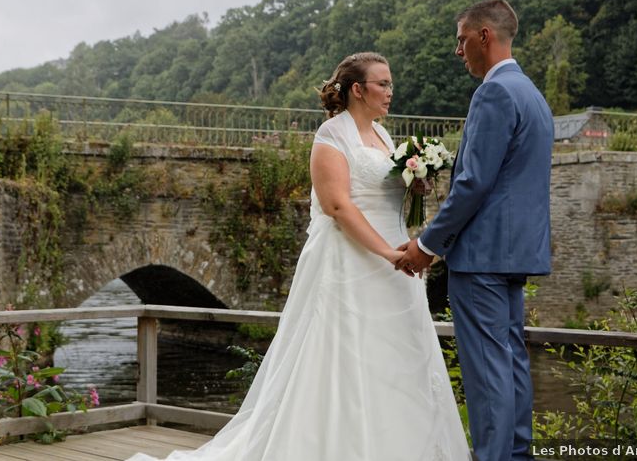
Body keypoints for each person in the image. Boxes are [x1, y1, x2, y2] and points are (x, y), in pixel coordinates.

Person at [128, 52, 469, 461]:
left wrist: (415, 189)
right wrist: (387, 254)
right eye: (383, 84)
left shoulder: (384, 137)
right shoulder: (331, 136)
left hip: (394, 270)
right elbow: (338, 207)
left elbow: (383, 195)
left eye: (391, 84)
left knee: (397, 363)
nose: (390, 92)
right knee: (343, 362)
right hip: (353, 264)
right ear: (358, 89)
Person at [395, 0, 554, 461]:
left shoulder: (494, 92)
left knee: (487, 375)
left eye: (462, 39)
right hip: (517, 254)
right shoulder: (532, 94)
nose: (457, 51)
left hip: (482, 256)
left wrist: (426, 246)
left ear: (485, 36)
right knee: (511, 362)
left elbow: (472, 182)